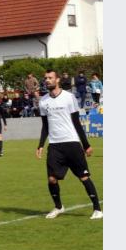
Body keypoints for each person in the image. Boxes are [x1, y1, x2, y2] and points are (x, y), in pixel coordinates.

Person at [36, 70, 102, 220]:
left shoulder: (69, 97)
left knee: (83, 177)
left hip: (71, 143)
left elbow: (76, 122)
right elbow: (45, 126)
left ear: (57, 80)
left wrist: (86, 145)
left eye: (50, 78)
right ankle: (58, 207)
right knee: (52, 179)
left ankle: (97, 209)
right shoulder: (43, 101)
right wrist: (40, 144)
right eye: (45, 78)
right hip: (54, 145)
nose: (47, 80)